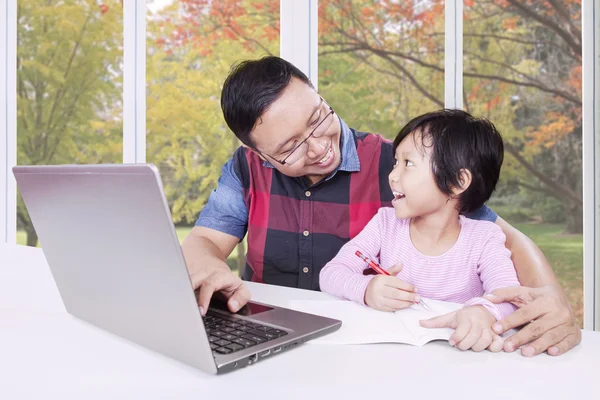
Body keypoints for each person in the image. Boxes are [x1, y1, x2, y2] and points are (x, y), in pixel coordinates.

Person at [182, 56, 581, 357]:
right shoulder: (245, 169)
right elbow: (202, 242)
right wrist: (211, 268)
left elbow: (505, 237)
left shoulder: (399, 166)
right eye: (290, 148)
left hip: (370, 354)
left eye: (319, 118)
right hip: (266, 341)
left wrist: (551, 299)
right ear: (260, 155)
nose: (319, 147)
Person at [319, 109, 520, 352]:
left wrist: (482, 312)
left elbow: (510, 298)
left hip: (458, 361)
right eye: (395, 163)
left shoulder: (484, 238)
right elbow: (330, 274)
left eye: (408, 163)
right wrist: (366, 289)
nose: (392, 176)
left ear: (457, 182)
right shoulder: (385, 224)